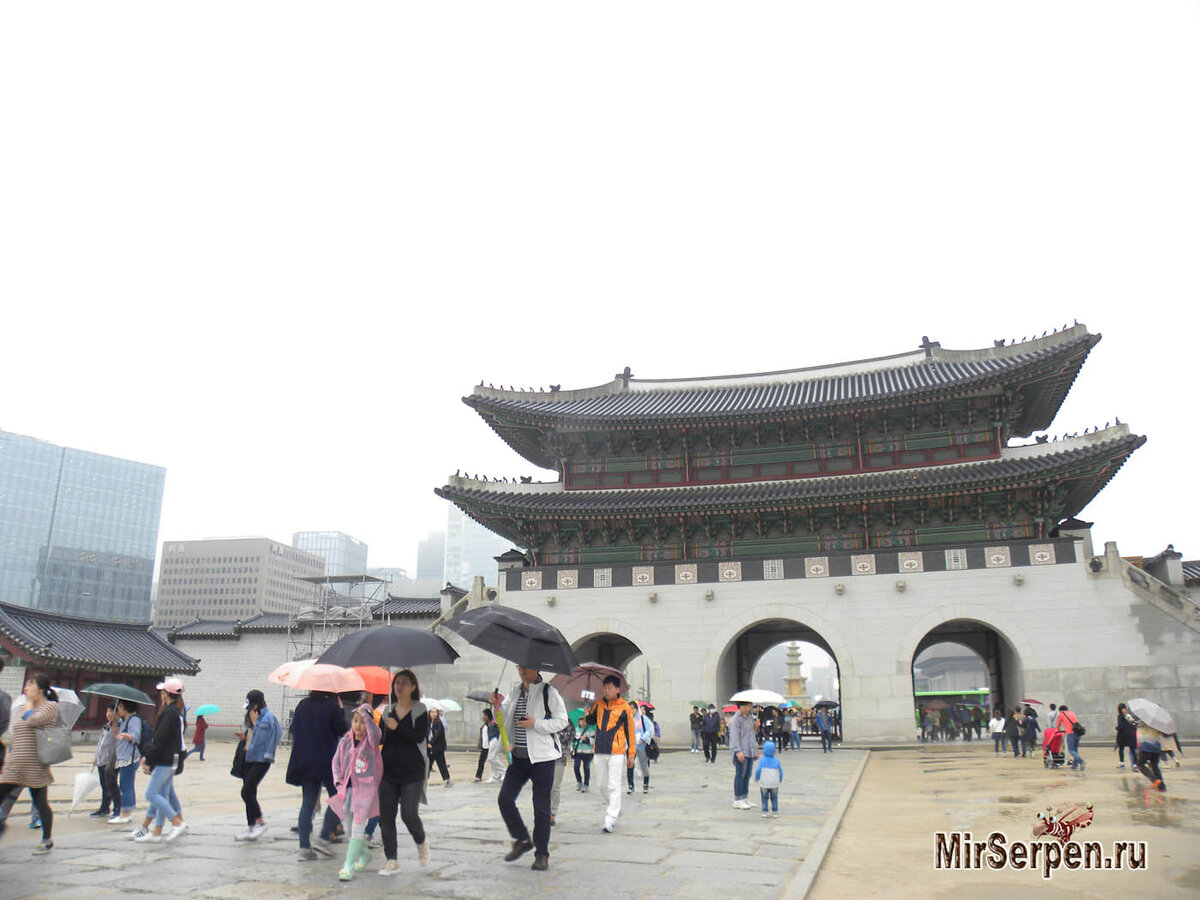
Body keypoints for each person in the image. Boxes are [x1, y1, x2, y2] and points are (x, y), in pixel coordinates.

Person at [495, 665, 568, 872]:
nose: (522, 671)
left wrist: (536, 723)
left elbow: (562, 721)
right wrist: (496, 705)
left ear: (536, 669)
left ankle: (542, 854)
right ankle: (522, 839)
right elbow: (504, 715)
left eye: (526, 667)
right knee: (505, 799)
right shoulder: (515, 691)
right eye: (519, 667)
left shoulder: (548, 692)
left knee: (541, 808)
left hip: (542, 759)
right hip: (518, 757)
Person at [377, 669, 430, 876]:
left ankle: (421, 841)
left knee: (408, 814)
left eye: (405, 683)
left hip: (412, 771)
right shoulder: (387, 710)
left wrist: (397, 726)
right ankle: (391, 860)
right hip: (388, 770)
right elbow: (380, 740)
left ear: (413, 687)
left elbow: (419, 737)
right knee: (386, 817)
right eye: (397, 682)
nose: (399, 686)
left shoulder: (420, 710)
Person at [0, 672, 59, 853]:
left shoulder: (50, 707)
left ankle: (47, 839)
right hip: (16, 763)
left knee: (41, 803)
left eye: (30, 684)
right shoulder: (21, 708)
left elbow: (32, 721)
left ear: (40, 689)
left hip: (35, 764)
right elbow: (17, 732)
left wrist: (28, 705)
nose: (26, 688)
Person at [286, 689, 348, 861]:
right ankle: (323, 838)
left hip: (305, 760)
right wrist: (341, 710)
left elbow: (293, 730)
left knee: (308, 802)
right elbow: (342, 729)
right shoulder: (332, 706)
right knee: (339, 797)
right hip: (327, 760)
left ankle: (304, 848)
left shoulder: (302, 705)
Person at [329, 703, 382, 881]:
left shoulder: (371, 744)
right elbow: (336, 763)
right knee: (350, 829)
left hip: (365, 792)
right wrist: (337, 781)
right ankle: (364, 855)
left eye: (362, 722)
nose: (358, 726)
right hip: (346, 791)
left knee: (358, 826)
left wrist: (367, 714)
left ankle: (348, 865)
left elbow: (375, 734)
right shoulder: (344, 743)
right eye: (355, 721)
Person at [134, 678, 188, 843]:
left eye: (162, 692)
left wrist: (149, 759)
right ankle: (156, 831)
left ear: (166, 694)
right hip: (171, 758)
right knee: (163, 793)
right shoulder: (174, 713)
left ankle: (177, 822)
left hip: (165, 759)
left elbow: (160, 740)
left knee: (152, 793)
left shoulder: (168, 714)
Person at [587, 676, 635, 834]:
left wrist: (631, 755)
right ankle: (614, 807)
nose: (606, 690)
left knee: (614, 785)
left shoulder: (625, 707)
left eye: (609, 687)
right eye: (604, 687)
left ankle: (610, 818)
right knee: (601, 785)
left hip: (616, 751)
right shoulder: (599, 704)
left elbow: (630, 733)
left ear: (617, 689)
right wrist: (588, 713)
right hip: (599, 749)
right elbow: (590, 721)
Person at [235, 689, 281, 840]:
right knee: (250, 793)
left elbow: (274, 736)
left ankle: (260, 822)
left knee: (246, 791)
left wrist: (269, 755)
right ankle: (251, 827)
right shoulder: (253, 717)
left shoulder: (268, 718)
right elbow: (252, 736)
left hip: (262, 759)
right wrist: (247, 732)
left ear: (256, 704)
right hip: (248, 757)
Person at [109, 699, 143, 824]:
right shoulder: (125, 721)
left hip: (129, 757)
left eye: (120, 707)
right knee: (125, 785)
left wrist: (127, 736)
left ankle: (125, 813)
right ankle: (127, 811)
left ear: (125, 708)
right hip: (123, 756)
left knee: (126, 785)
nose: (118, 710)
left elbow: (136, 736)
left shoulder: (134, 720)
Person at [91, 705, 120, 818]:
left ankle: (118, 807)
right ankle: (104, 807)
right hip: (101, 759)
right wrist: (96, 756)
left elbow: (119, 741)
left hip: (112, 760)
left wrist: (115, 731)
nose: (109, 714)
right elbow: (100, 742)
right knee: (104, 785)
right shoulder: (105, 726)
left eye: (112, 711)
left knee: (111, 784)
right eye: (108, 711)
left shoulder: (120, 726)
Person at [728, 700, 757, 809]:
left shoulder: (749, 718)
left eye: (750, 706)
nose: (748, 708)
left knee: (747, 775)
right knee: (740, 774)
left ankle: (744, 797)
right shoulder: (736, 719)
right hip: (741, 751)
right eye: (746, 706)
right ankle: (737, 798)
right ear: (741, 707)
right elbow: (734, 736)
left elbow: (751, 735)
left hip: (749, 750)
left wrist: (756, 727)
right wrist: (738, 751)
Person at [626, 702, 653, 796]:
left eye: (633, 708)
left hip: (641, 745)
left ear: (637, 709)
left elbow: (650, 729)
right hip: (630, 746)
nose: (631, 710)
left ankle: (645, 784)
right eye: (629, 708)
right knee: (630, 765)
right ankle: (630, 785)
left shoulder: (642, 718)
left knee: (644, 765)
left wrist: (643, 738)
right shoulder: (626, 719)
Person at [1135, 722, 1168, 791]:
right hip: (1156, 747)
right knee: (1154, 765)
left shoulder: (1142, 723)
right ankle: (1162, 787)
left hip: (1146, 746)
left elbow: (1134, 724)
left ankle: (1154, 780)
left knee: (1140, 764)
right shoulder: (1158, 724)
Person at [754, 739, 783, 817]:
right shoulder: (777, 761)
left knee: (764, 797)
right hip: (774, 783)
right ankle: (775, 811)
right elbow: (781, 772)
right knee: (774, 797)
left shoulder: (762, 761)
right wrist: (780, 779)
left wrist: (756, 778)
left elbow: (758, 770)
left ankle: (764, 811)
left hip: (764, 782)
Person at [426, 708, 452, 787]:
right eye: (432, 712)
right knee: (427, 765)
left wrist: (431, 743)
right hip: (429, 748)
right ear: (429, 713)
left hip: (438, 748)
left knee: (441, 764)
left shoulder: (439, 723)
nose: (433, 714)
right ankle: (423, 781)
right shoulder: (428, 723)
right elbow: (425, 734)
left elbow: (437, 735)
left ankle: (448, 780)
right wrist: (427, 743)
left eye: (435, 712)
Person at [1055, 704, 1085, 771]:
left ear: (1061, 710)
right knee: (1075, 750)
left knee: (1071, 750)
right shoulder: (1072, 713)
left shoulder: (1061, 714)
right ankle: (1075, 765)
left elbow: (1058, 725)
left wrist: (1058, 730)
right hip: (1077, 733)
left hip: (1070, 733)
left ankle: (1081, 761)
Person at [573, 712, 595, 792]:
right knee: (575, 767)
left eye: (584, 720)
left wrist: (586, 740)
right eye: (581, 721)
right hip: (578, 752)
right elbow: (573, 740)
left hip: (588, 752)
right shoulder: (576, 729)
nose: (582, 722)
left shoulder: (592, 729)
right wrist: (573, 747)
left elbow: (594, 741)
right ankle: (579, 781)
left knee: (586, 769)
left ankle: (586, 785)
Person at [474, 709, 494, 782]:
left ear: (488, 716)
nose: (483, 717)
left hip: (490, 746)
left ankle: (494, 776)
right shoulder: (484, 725)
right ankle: (478, 777)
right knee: (481, 761)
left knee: (492, 761)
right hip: (484, 746)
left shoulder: (491, 724)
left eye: (485, 715)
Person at [1115, 703, 1138, 768]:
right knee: (1132, 749)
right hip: (1131, 735)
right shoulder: (1127, 715)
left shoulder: (1120, 716)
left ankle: (1122, 763)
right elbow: (1133, 723)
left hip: (1123, 735)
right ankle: (1134, 764)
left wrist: (1117, 728)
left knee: (1121, 749)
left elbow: (1120, 726)